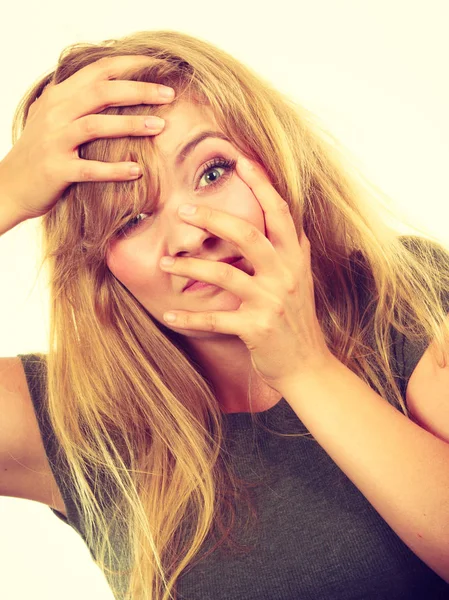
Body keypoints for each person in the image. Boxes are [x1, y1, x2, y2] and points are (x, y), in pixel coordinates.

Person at [1, 30, 449, 600]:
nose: (191, 233)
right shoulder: (73, 416)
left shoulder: (404, 293)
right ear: (98, 264)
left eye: (212, 172)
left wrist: (305, 367)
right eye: (129, 220)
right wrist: (7, 190)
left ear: (273, 156)